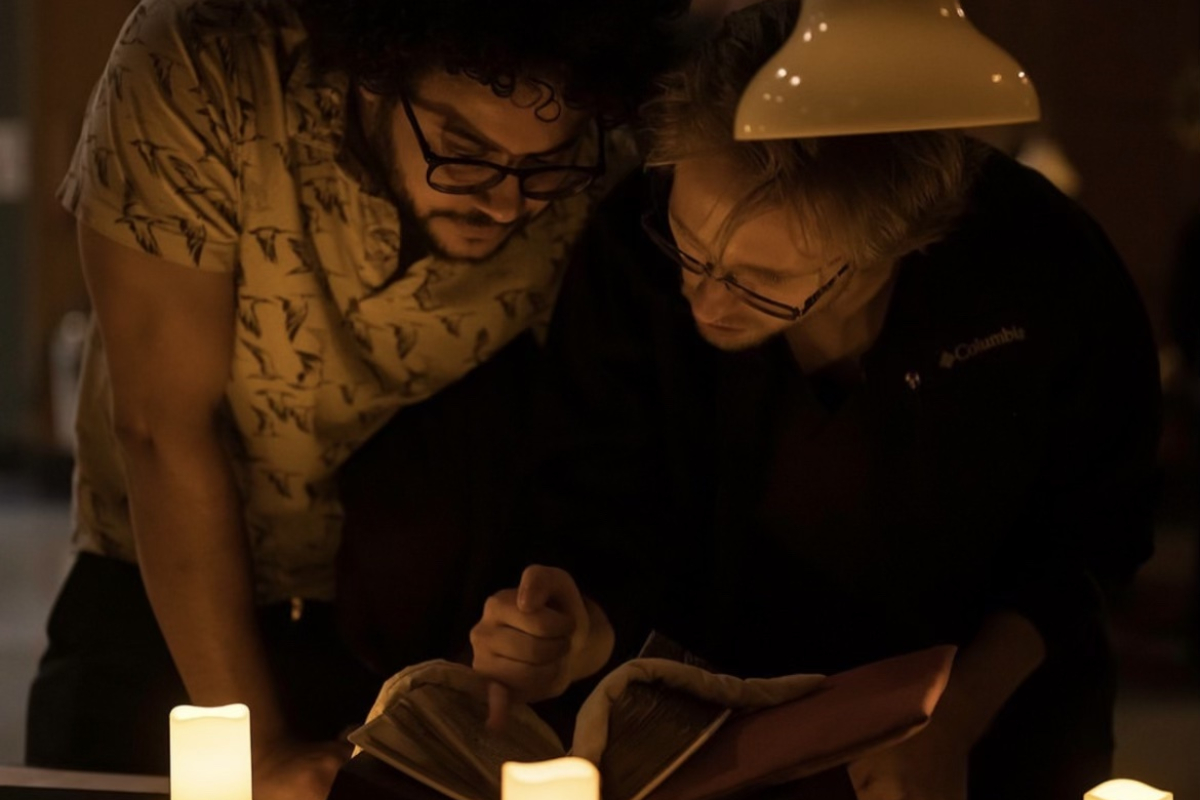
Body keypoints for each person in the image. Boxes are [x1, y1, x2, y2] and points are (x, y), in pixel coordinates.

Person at [468, 2, 1163, 799]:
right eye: (687, 248)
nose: (703, 299)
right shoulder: (630, 255)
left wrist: (957, 720)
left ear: (896, 246)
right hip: (717, 728)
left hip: (993, 719)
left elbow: (1088, 539)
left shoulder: (1037, 266)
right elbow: (600, 514)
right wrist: (570, 634)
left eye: (762, 283)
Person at [25, 0, 685, 796]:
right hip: (153, 590)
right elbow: (161, 431)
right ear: (374, 77)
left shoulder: (605, 149)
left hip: (386, 610)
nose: (506, 205)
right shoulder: (206, 66)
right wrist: (258, 747)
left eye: (545, 167)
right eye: (462, 152)